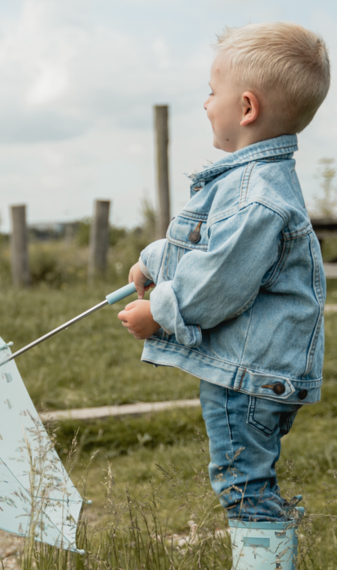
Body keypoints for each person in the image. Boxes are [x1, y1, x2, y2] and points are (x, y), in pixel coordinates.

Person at [118, 22, 329, 570]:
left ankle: (263, 558)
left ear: (248, 107)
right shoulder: (252, 184)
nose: (205, 102)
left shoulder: (257, 196)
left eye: (212, 92)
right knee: (247, 476)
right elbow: (208, 247)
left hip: (248, 376)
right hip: (255, 371)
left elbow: (218, 280)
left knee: (242, 483)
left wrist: (160, 314)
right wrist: (153, 260)